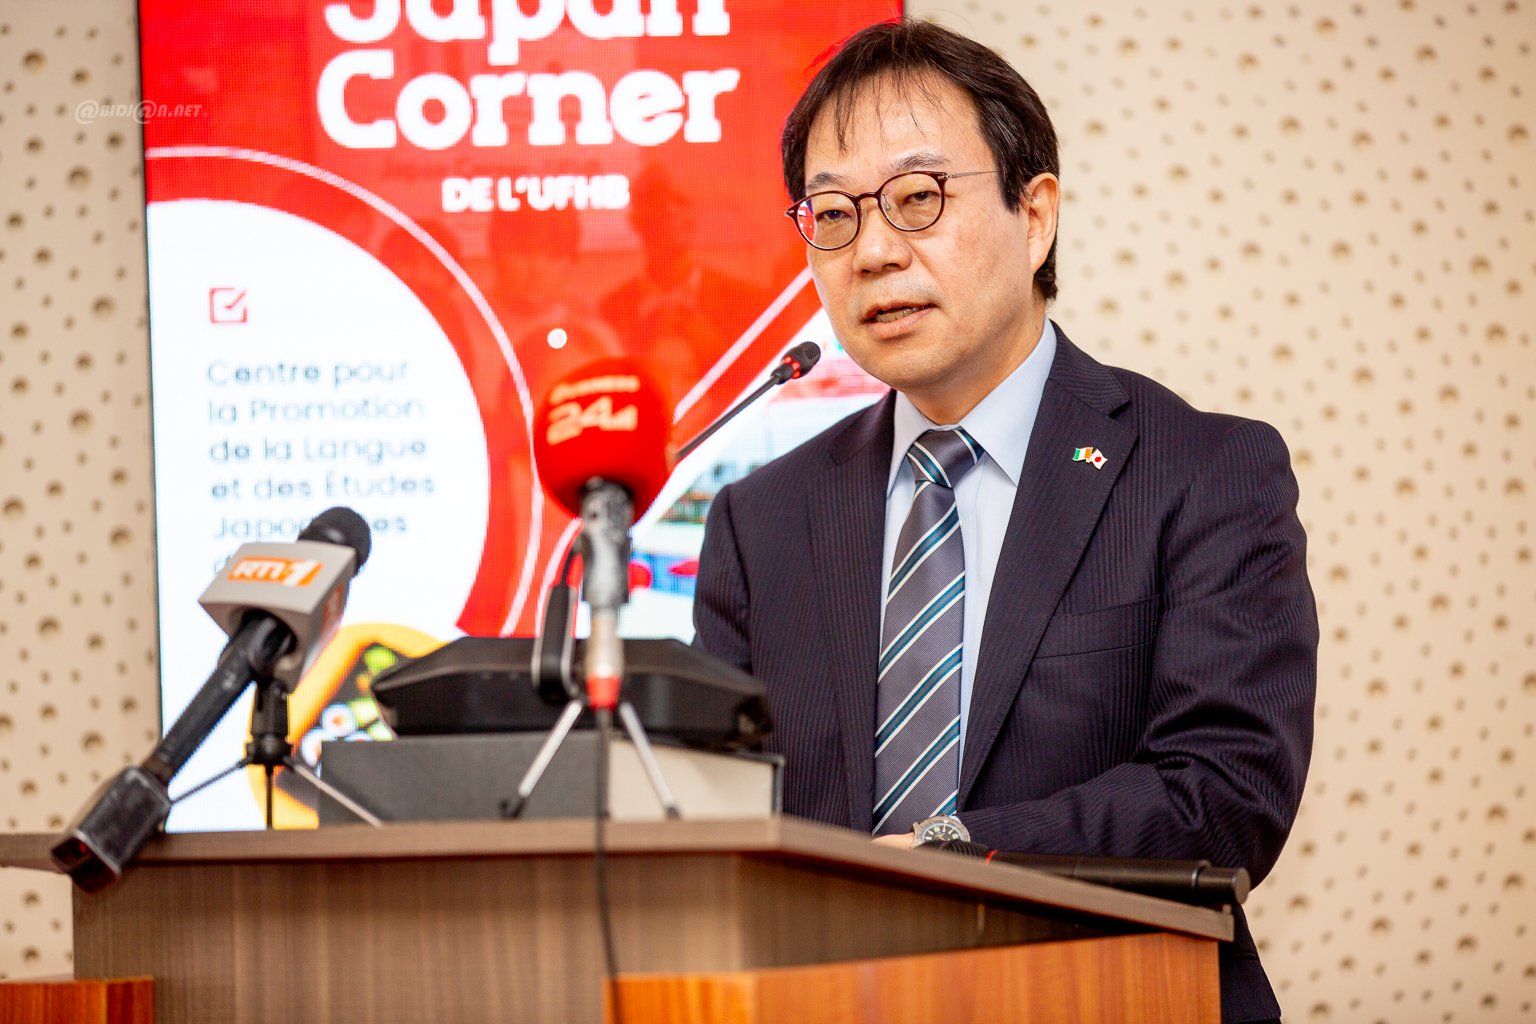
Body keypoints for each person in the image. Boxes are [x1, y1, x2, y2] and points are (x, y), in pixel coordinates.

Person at [691, 19, 1317, 1024]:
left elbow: (1224, 795)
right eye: (834, 214)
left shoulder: (1202, 473)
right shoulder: (760, 521)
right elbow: (715, 817)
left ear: (1035, 217)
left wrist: (945, 854)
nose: (874, 251)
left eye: (918, 198)